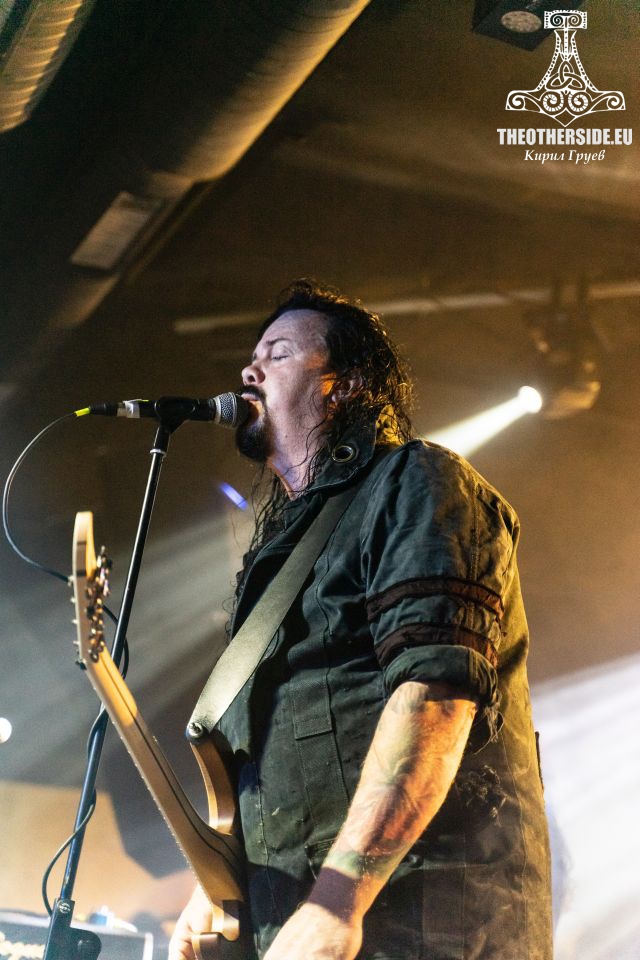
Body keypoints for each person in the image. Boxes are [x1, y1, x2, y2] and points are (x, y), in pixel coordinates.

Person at [169, 281, 553, 960]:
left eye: (278, 354)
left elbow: (436, 696)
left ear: (343, 387)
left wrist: (337, 901)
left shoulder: (416, 482)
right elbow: (265, 767)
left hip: (421, 925)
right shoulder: (284, 560)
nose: (249, 371)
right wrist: (218, 884)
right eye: (252, 357)